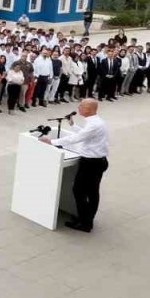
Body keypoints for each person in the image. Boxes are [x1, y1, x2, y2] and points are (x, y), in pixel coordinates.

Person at [38, 98, 109, 233]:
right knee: (90, 192)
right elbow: (84, 134)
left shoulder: (94, 125)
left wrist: (51, 141)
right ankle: (85, 218)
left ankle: (85, 223)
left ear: (89, 109)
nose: (79, 107)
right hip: (97, 161)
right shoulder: (96, 122)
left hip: (91, 163)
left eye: (81, 106)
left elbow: (76, 138)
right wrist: (72, 125)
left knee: (81, 191)